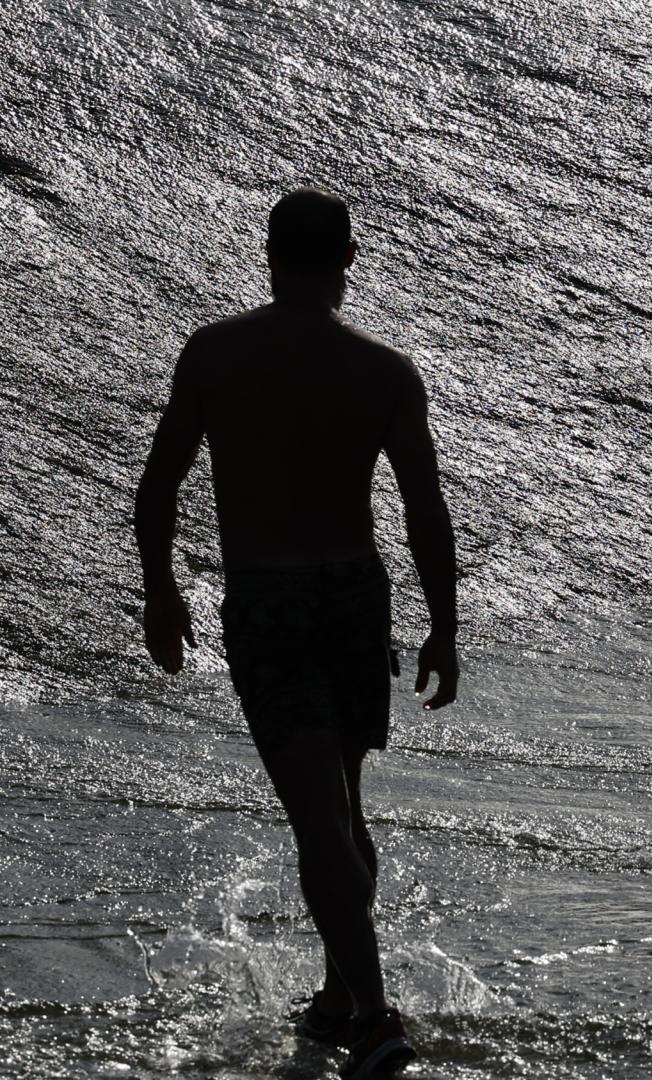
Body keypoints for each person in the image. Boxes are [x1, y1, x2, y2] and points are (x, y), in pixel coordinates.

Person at [134, 187, 459, 1080]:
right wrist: (443, 626)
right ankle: (337, 1000)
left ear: (270, 253)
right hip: (354, 596)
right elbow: (425, 511)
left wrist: (161, 590)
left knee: (321, 817)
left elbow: (159, 485)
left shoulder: (215, 354)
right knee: (340, 807)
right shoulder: (385, 372)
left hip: (268, 600)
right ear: (348, 259)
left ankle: (374, 1019)